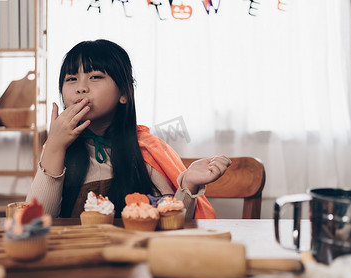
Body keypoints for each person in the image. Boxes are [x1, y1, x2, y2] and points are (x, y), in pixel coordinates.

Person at [26, 39, 231, 219]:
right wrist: (54, 146)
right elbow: (36, 221)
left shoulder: (146, 150)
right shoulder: (55, 148)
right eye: (71, 79)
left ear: (124, 93)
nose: (81, 87)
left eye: (95, 76)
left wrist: (188, 185)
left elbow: (171, 222)